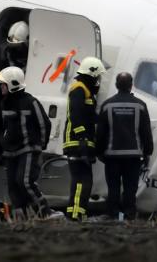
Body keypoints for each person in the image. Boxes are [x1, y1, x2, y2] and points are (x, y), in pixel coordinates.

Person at [0, 66, 58, 219]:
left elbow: (44, 124)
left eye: (3, 84)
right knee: (12, 185)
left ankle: (45, 212)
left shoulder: (30, 101)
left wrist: (40, 145)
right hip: (10, 152)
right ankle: (20, 217)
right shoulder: (4, 103)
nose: (1, 87)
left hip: (27, 149)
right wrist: (2, 143)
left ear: (12, 84)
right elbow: (3, 127)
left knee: (24, 181)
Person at [96, 72, 153, 220]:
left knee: (113, 187)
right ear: (131, 85)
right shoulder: (140, 106)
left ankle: (112, 214)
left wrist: (99, 151)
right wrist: (147, 152)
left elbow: (101, 132)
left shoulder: (107, 105)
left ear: (116, 85)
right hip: (133, 157)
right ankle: (129, 215)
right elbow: (146, 131)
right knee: (130, 188)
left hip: (112, 156)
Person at [63, 56, 107, 221]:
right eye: (98, 76)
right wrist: (82, 137)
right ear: (92, 74)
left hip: (82, 142)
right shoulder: (79, 89)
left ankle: (77, 212)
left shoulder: (85, 90)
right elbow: (76, 115)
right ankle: (75, 213)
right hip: (76, 141)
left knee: (83, 179)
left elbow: (88, 116)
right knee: (82, 179)